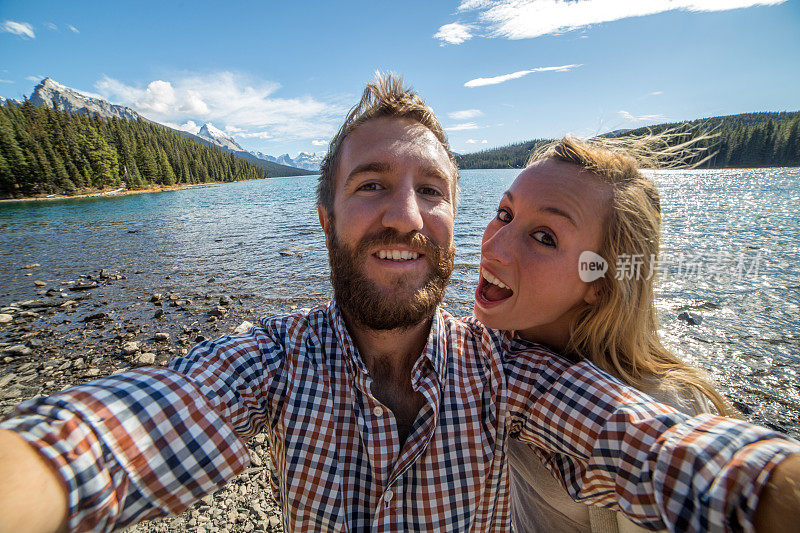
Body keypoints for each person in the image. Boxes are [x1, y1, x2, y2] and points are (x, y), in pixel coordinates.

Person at [1, 74, 799, 533]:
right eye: (371, 184)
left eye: (433, 191)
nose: (406, 216)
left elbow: (671, 451)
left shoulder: (509, 370)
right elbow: (119, 433)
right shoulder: (273, 361)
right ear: (324, 219)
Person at [473, 135, 745, 533]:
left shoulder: (659, 410)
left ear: (598, 281)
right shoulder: (500, 343)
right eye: (505, 214)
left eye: (544, 237)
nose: (493, 246)